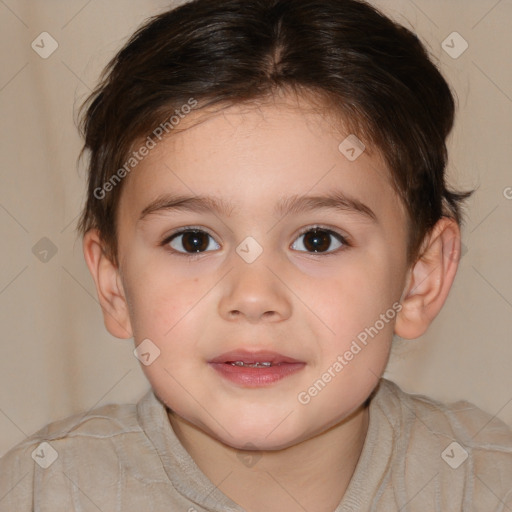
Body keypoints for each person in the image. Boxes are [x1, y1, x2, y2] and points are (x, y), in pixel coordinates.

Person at [1, 0, 511, 510]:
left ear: (419, 278)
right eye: (193, 240)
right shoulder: (40, 492)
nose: (252, 297)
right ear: (114, 283)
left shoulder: (485, 485)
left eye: (318, 239)